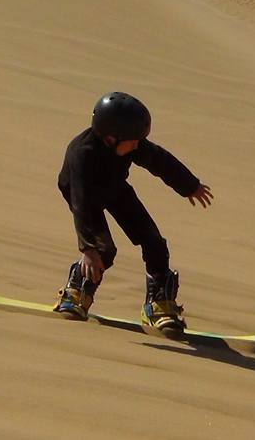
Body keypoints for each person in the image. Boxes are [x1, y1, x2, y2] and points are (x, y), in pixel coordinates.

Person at [54, 91, 214, 334]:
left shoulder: (128, 142)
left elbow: (159, 161)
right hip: (83, 195)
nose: (137, 145)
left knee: (154, 243)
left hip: (115, 188)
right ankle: (77, 291)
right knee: (103, 251)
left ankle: (158, 306)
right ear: (111, 138)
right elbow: (81, 204)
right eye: (134, 140)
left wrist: (189, 186)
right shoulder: (81, 155)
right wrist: (87, 248)